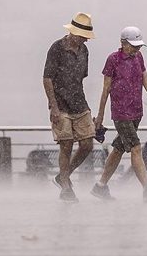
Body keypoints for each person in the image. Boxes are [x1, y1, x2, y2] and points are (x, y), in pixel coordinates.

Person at [91, 26, 147, 203]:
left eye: (139, 46)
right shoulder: (113, 60)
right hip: (121, 113)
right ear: (123, 43)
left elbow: (146, 81)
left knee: (118, 149)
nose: (136, 49)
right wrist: (100, 116)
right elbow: (105, 89)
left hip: (136, 111)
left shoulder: (139, 57)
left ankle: (100, 186)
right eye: (133, 46)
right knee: (136, 147)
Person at [43, 12, 96, 203]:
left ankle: (63, 175)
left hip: (79, 103)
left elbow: (80, 79)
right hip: (61, 105)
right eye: (83, 36)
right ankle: (65, 186)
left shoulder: (84, 51)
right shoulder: (57, 48)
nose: (85, 41)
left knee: (87, 144)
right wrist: (54, 107)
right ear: (73, 33)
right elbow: (47, 78)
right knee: (66, 145)